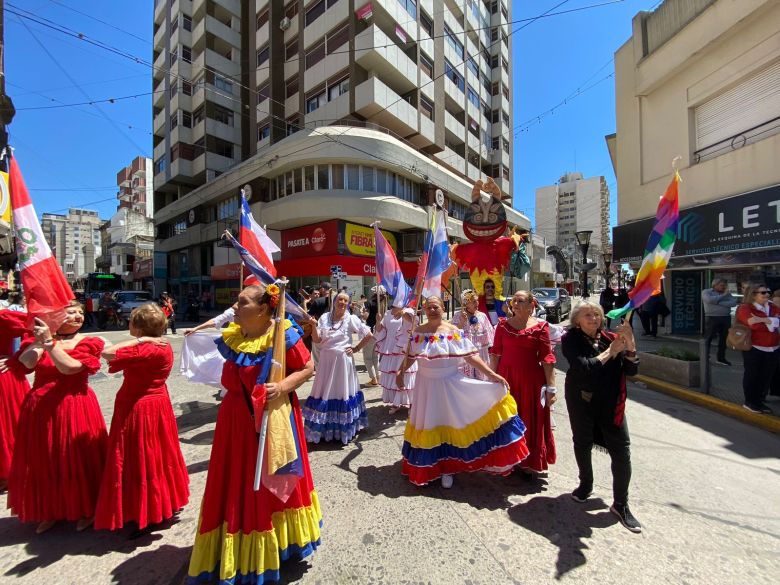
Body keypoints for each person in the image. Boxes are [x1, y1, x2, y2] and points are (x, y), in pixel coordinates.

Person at [187, 284, 319, 584]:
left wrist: (283, 386)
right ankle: (232, 541)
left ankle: (274, 547)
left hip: (272, 418)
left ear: (262, 308)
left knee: (267, 484)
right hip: (234, 422)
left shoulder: (283, 333)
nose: (235, 306)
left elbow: (308, 367)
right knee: (236, 481)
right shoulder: (235, 335)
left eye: (242, 302)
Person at [396, 296, 529, 488]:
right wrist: (401, 372)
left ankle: (448, 468)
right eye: (428, 307)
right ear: (424, 310)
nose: (432, 310)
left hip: (449, 385)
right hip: (425, 387)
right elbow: (411, 356)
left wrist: (492, 375)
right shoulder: (417, 332)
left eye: (436, 307)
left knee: (449, 423)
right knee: (429, 423)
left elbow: (471, 357)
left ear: (443, 308)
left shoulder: (453, 331)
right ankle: (429, 465)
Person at [9, 300, 108, 534]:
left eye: (80, 312)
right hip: (40, 407)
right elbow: (26, 363)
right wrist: (41, 340)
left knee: (76, 458)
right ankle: (50, 509)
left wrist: (49, 343)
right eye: (71, 312)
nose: (78, 316)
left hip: (75, 405)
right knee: (45, 459)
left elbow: (71, 368)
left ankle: (87, 508)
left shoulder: (89, 341)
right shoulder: (41, 340)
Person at [94, 303, 189, 536]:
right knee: (157, 454)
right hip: (156, 402)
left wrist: (138, 341)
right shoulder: (162, 346)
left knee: (139, 457)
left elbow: (106, 353)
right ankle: (160, 504)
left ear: (138, 328)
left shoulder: (146, 348)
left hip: (139, 405)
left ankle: (147, 510)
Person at [561, 300, 641, 533]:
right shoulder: (571, 340)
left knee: (622, 451)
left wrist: (630, 344)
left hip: (611, 403)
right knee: (582, 442)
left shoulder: (608, 337)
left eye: (597, 314)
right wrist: (612, 351)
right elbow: (583, 367)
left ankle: (621, 504)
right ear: (577, 320)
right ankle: (586, 485)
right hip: (582, 401)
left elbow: (632, 370)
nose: (594, 319)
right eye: (588, 315)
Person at [490, 291, 557, 475]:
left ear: (530, 305)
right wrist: (491, 378)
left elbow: (547, 358)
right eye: (513, 301)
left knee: (528, 420)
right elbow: (495, 354)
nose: (515, 303)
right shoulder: (502, 326)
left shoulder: (541, 327)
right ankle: (508, 460)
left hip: (531, 382)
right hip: (506, 380)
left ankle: (528, 461)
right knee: (508, 419)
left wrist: (551, 388)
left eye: (520, 301)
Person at [302, 292, 372, 443]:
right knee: (324, 392)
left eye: (345, 300)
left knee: (342, 393)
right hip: (326, 360)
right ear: (334, 301)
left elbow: (368, 334)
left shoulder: (350, 318)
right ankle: (322, 431)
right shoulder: (324, 318)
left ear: (348, 303)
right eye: (340, 299)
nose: (342, 302)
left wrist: (356, 348)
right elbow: (317, 339)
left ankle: (343, 431)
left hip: (342, 362)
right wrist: (313, 326)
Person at [0, 310, 32, 493]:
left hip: (4, 379)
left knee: (5, 425)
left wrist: (16, 358)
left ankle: (8, 473)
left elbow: (37, 329)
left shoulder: (4, 317)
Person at [736, 284, 779, 414]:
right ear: (753, 295)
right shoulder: (744, 308)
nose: (767, 295)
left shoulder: (773, 306)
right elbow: (753, 325)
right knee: (752, 375)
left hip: (773, 347)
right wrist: (771, 322)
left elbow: (777, 322)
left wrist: (762, 320)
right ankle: (750, 402)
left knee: (766, 377)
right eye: (763, 293)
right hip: (755, 347)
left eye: (768, 292)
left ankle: (759, 401)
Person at [374, 303, 417, 413]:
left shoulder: (409, 311)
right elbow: (380, 329)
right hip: (390, 347)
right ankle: (396, 402)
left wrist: (404, 313)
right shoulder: (388, 313)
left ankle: (412, 404)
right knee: (392, 375)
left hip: (402, 347)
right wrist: (378, 320)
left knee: (406, 374)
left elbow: (414, 323)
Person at [451, 289, 494, 380]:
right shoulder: (458, 316)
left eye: (477, 300)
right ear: (466, 303)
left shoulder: (482, 316)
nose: (477, 303)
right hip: (465, 355)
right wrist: (461, 323)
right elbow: (452, 336)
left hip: (481, 355)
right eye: (474, 301)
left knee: (482, 381)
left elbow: (491, 334)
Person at [701, 278, 738, 366]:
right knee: (709, 337)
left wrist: (717, 302)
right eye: (722, 285)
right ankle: (705, 356)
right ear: (715, 285)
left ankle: (721, 358)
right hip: (712, 317)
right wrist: (723, 296)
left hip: (725, 317)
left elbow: (733, 303)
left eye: (725, 285)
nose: (723, 287)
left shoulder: (727, 294)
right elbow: (709, 300)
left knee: (724, 338)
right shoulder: (706, 292)